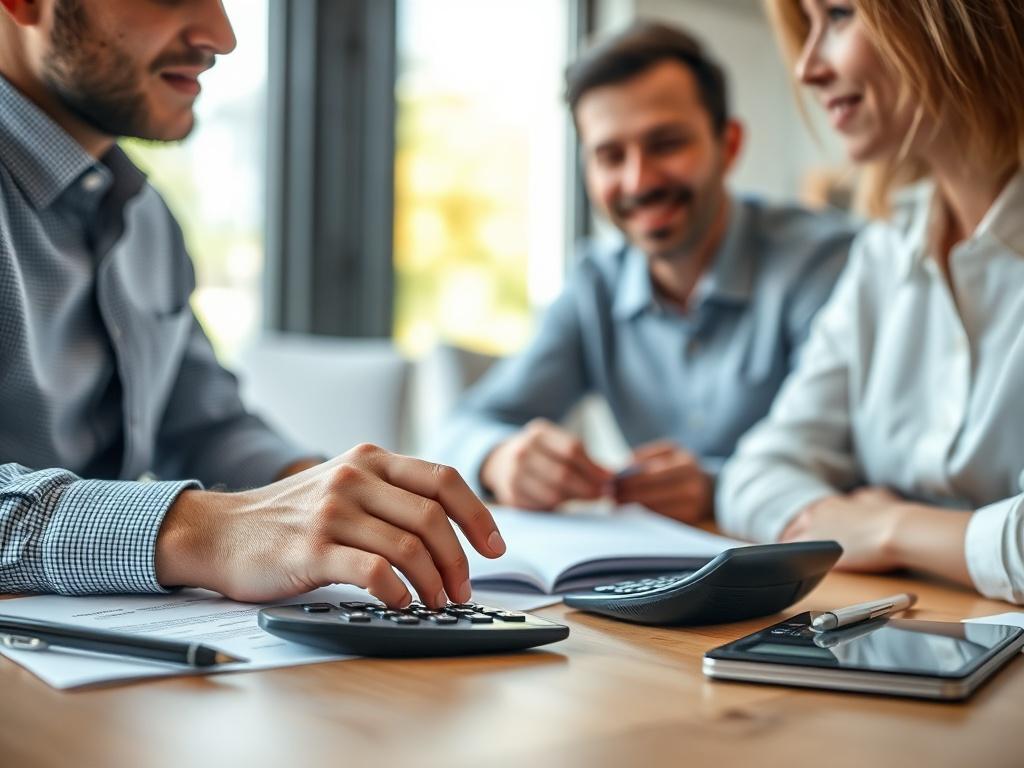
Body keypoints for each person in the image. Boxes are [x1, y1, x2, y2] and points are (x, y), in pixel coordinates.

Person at [0, 0, 505, 609]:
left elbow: (204, 425)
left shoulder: (146, 220)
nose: (223, 35)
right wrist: (204, 529)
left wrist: (320, 492)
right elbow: (211, 519)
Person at [433, 21, 856, 524]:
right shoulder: (595, 284)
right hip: (652, 574)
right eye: (610, 156)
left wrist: (716, 486)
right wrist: (501, 459)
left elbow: (861, 456)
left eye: (666, 144)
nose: (638, 180)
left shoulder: (826, 262)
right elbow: (460, 427)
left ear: (730, 144)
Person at [717, 0, 1024, 602]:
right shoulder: (883, 252)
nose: (807, 69)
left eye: (837, 15)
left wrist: (892, 528)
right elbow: (751, 475)